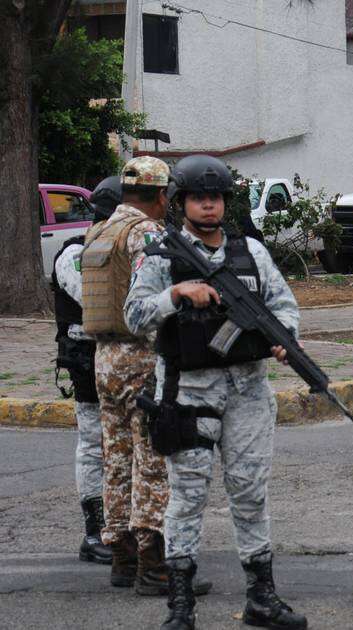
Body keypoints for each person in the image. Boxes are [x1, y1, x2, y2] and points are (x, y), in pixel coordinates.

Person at [125, 154, 306, 630]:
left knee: (250, 493)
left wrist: (285, 341)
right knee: (188, 496)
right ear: (181, 202)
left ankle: (261, 598)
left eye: (216, 198)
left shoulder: (252, 253)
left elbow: (284, 307)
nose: (208, 206)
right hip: (189, 393)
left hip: (248, 391)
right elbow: (134, 316)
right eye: (199, 198)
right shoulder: (160, 254)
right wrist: (177, 294)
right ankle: (181, 606)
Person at [80, 157, 195, 595]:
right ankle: (155, 567)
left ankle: (122, 557)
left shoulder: (101, 229)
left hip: (104, 358)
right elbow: (153, 300)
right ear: (161, 195)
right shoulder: (145, 232)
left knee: (115, 458)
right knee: (152, 461)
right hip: (141, 359)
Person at [50, 176, 120, 565]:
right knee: (94, 442)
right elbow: (96, 298)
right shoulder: (75, 253)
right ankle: (94, 530)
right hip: (89, 357)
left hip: (130, 358)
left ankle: (128, 526)